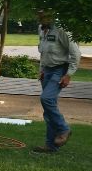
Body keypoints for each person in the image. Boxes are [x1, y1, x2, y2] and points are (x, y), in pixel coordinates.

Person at [34, 9, 81, 153]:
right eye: (39, 15)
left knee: (46, 99)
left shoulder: (62, 30)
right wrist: (41, 69)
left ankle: (64, 129)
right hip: (46, 71)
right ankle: (51, 145)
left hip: (59, 70)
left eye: (44, 14)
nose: (41, 17)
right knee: (49, 110)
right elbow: (44, 51)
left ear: (52, 15)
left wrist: (68, 74)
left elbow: (76, 53)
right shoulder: (41, 30)